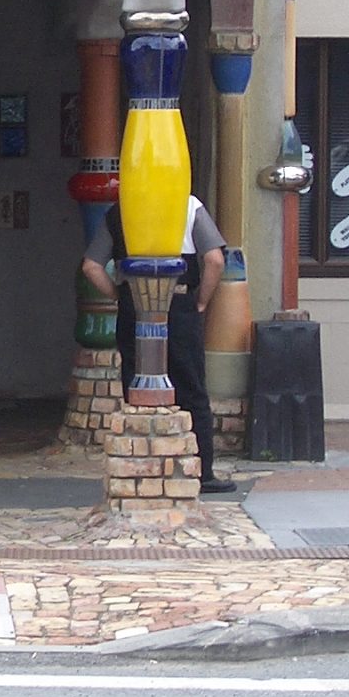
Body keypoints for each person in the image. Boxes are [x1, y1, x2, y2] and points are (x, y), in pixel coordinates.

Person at [80, 194, 238, 495]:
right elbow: (215, 259)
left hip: (134, 307)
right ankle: (201, 472)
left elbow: (91, 266)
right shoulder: (188, 205)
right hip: (179, 304)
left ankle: (140, 469)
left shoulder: (120, 210)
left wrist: (119, 295)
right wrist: (201, 301)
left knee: (136, 389)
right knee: (191, 389)